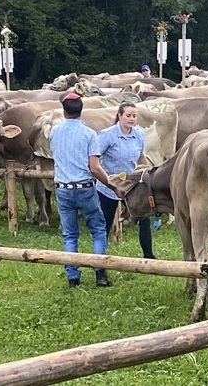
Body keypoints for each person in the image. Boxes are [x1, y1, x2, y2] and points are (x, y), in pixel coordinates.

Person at [51, 92, 115, 287]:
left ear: (64, 111)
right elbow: (94, 167)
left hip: (63, 188)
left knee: (70, 233)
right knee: (98, 229)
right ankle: (100, 273)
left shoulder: (54, 132)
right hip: (85, 187)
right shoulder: (89, 134)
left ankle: (73, 276)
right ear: (81, 110)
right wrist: (111, 184)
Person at [97, 102, 155, 261]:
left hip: (131, 185)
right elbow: (95, 157)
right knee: (105, 223)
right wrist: (106, 180)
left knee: (144, 220)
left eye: (134, 116)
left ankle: (149, 257)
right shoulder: (107, 134)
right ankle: (100, 261)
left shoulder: (139, 134)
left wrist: (146, 173)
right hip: (109, 186)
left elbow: (141, 157)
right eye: (128, 115)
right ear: (119, 116)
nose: (132, 119)